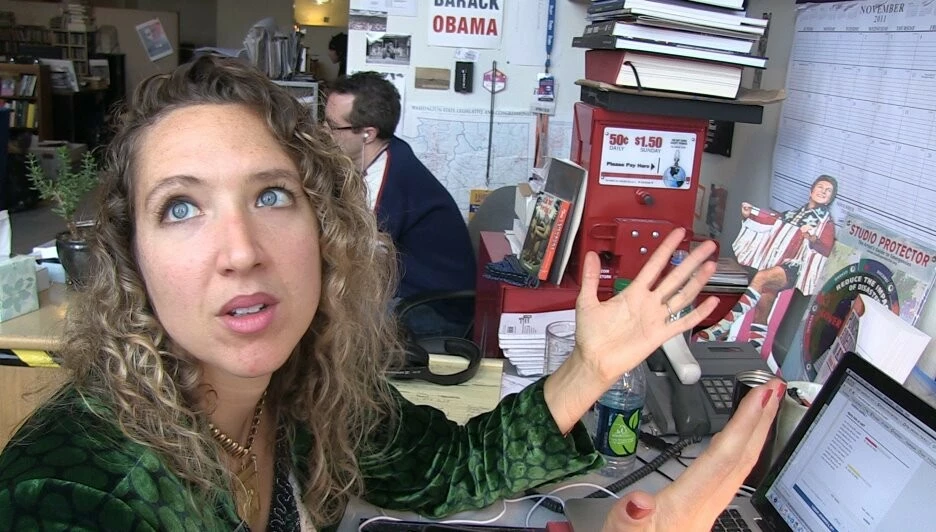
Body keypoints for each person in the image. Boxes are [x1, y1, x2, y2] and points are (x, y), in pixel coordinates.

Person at [0, 57, 785, 532]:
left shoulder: (305, 393)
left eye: (271, 196)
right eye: (180, 207)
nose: (239, 251)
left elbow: (451, 468)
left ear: (326, 232)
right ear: (131, 262)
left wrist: (589, 367)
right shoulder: (72, 493)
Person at [325, 71, 475, 338]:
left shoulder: (394, 176)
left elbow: (362, 254)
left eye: (331, 126)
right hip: (408, 293)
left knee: (328, 319)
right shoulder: (386, 155)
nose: (323, 132)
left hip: (435, 310)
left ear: (367, 134)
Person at [696, 175, 837, 351]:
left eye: (828, 190)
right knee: (764, 302)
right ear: (811, 190)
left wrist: (813, 237)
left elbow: (826, 246)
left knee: (761, 278)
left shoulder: (826, 223)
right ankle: (755, 347)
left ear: (831, 198)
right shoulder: (793, 214)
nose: (823, 192)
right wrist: (749, 215)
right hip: (776, 262)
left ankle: (722, 326)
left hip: (794, 268)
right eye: (821, 187)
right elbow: (771, 220)